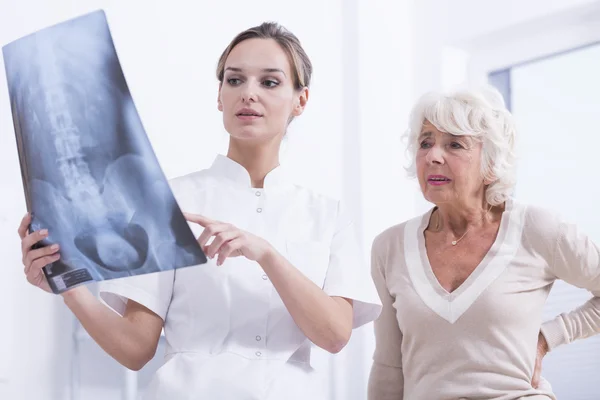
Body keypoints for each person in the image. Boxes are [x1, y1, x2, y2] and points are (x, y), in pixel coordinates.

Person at [19, 22, 382, 400]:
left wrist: (265, 253)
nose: (249, 94)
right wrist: (70, 288)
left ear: (300, 100)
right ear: (220, 96)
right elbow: (136, 349)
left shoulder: (326, 215)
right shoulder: (170, 201)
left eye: (269, 82)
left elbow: (335, 335)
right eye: (235, 80)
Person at [367, 85, 600, 400]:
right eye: (426, 143)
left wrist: (548, 337)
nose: (433, 156)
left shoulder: (537, 228)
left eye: (454, 144)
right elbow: (388, 366)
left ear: (490, 163)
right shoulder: (389, 247)